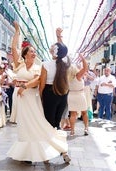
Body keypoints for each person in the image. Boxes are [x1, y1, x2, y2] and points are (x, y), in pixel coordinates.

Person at [7, 21, 70, 163]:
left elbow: (37, 81)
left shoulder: (39, 66)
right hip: (20, 98)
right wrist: (17, 31)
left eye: (35, 51)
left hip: (32, 96)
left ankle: (53, 147)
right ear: (25, 54)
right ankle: (26, 154)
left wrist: (25, 86)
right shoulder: (19, 65)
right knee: (23, 124)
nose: (34, 53)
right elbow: (13, 48)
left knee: (38, 124)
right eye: (31, 51)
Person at [39, 27, 70, 130]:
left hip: (49, 92)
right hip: (62, 93)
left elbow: (42, 85)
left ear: (53, 52)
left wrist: (40, 97)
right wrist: (59, 37)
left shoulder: (45, 64)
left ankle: (50, 142)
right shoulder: (65, 63)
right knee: (57, 121)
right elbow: (63, 51)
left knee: (49, 121)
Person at [68, 54, 88, 136]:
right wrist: (83, 59)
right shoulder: (78, 76)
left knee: (73, 114)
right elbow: (85, 68)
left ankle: (72, 131)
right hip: (80, 95)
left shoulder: (68, 77)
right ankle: (86, 128)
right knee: (84, 113)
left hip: (71, 95)